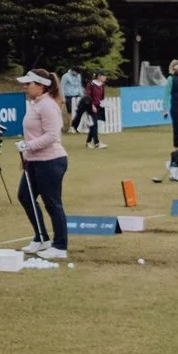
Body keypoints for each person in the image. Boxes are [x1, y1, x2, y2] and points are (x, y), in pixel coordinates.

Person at [14, 69, 68, 259]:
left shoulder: (47, 105)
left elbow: (53, 136)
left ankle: (60, 246)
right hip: (34, 161)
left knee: (52, 203)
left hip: (51, 161)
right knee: (25, 197)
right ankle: (41, 238)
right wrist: (27, 156)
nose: (25, 87)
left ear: (41, 85)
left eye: (28, 84)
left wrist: (28, 146)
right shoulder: (34, 104)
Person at [76, 71, 107, 146]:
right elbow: (88, 96)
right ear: (99, 76)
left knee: (94, 124)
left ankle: (88, 142)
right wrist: (92, 105)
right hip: (90, 106)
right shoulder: (91, 84)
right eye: (104, 76)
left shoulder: (102, 85)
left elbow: (102, 97)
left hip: (98, 107)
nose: (105, 77)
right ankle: (97, 143)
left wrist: (102, 104)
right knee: (94, 124)